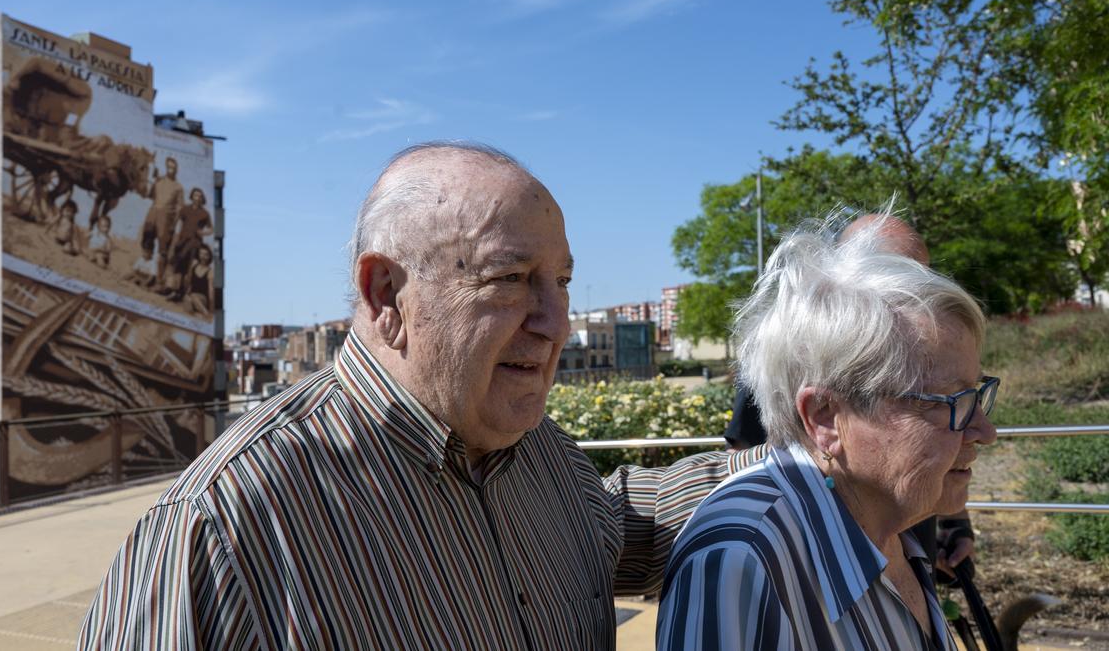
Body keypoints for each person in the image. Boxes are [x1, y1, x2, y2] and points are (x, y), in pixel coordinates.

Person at [79, 142, 765, 649]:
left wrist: (807, 462)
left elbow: (619, 528)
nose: (555, 323)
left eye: (560, 281)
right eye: (512, 278)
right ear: (387, 294)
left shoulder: (538, 452)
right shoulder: (225, 527)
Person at [657, 215, 998, 650]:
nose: (986, 432)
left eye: (978, 394)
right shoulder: (743, 564)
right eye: (953, 402)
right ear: (824, 416)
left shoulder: (890, 517)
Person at [723, 214, 977, 578]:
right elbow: (745, 458)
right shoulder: (783, 354)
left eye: (924, 275)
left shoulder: (930, 345)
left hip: (910, 556)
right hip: (829, 573)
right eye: (901, 273)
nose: (919, 291)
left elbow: (944, 442)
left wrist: (955, 524)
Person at [139, 156, 184, 292]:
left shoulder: (178, 187)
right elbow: (148, 195)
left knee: (162, 250)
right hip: (153, 213)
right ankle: (144, 275)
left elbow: (179, 208)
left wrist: (173, 225)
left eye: (173, 168)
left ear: (176, 170)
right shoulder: (158, 181)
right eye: (168, 167)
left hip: (166, 219)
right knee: (146, 243)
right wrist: (151, 180)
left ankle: (159, 281)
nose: (170, 170)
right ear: (166, 167)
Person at [165, 186, 214, 302]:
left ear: (202, 199)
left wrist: (203, 232)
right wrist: (176, 238)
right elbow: (177, 222)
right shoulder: (185, 209)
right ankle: (174, 290)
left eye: (200, 196)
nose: (198, 198)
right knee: (177, 265)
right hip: (182, 240)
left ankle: (181, 293)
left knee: (188, 268)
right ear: (192, 196)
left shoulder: (205, 213)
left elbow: (212, 229)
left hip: (195, 243)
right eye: (196, 195)